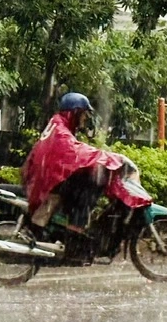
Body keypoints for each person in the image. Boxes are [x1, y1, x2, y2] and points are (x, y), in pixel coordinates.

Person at [22, 92, 122, 231]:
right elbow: (74, 151)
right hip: (49, 180)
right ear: (75, 112)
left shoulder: (56, 122)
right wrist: (105, 157)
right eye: (83, 114)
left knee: (83, 183)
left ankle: (67, 228)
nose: (85, 118)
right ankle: (75, 231)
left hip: (44, 176)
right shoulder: (61, 131)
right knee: (89, 189)